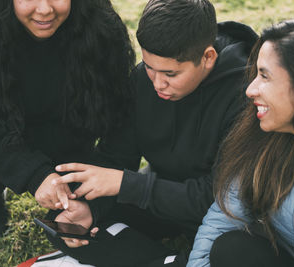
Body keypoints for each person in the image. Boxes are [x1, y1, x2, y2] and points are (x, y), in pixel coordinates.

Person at [45, 0, 257, 265]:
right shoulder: (142, 80)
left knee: (232, 253)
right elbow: (116, 157)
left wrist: (127, 184)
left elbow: (219, 200)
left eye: (170, 73)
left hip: (216, 212)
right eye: (150, 67)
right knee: (64, 226)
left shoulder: (246, 96)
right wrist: (89, 208)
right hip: (162, 198)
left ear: (207, 57)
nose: (157, 83)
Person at [0, 0, 135, 240]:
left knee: (76, 190)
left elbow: (120, 116)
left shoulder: (100, 24)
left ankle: (69, 190)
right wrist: (34, 175)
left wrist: (88, 196)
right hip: (2, 124)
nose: (45, 9)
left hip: (66, 128)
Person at [187, 17, 294, 267]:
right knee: (231, 249)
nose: (250, 89)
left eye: (264, 76)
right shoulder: (266, 134)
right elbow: (222, 219)